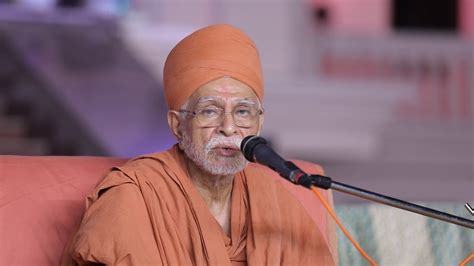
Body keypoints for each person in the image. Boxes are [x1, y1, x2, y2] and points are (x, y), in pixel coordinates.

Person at [62, 24, 337, 265]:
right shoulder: (133, 197)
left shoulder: (275, 200)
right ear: (177, 124)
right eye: (209, 111)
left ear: (259, 123)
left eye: (242, 112)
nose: (228, 128)